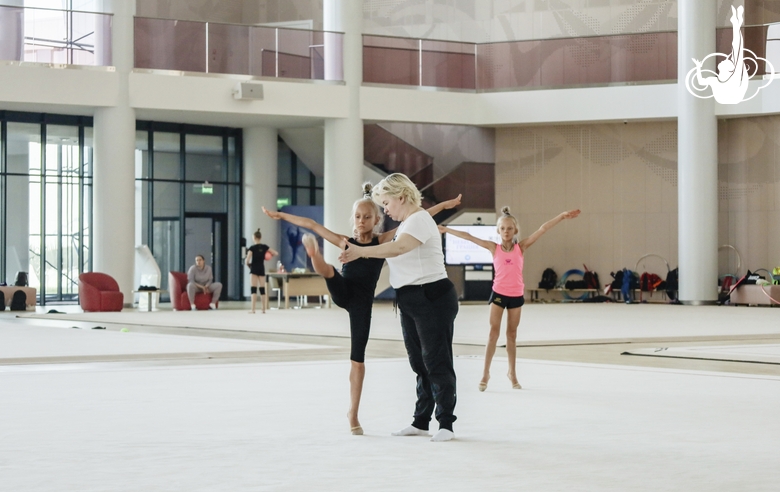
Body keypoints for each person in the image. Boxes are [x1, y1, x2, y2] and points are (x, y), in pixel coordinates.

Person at [263, 184, 461, 437]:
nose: (362, 220)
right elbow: (312, 224)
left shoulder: (384, 239)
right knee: (330, 272)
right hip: (345, 290)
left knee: (390, 359)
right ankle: (315, 256)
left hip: (363, 303)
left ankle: (434, 421)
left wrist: (444, 206)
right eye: (358, 216)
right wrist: (280, 215)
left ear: (377, 220)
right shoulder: (347, 242)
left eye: (368, 216)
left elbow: (418, 219)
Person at [339, 173, 460, 442]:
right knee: (419, 363)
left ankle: (445, 423)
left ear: (401, 197)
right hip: (409, 299)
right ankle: (420, 420)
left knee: (436, 360)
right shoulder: (408, 222)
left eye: (386, 203)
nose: (385, 209)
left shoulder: (419, 220)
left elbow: (400, 249)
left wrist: (361, 252)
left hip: (432, 297)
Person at [439, 206, 580, 392]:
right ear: (498, 230)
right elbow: (468, 236)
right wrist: (446, 229)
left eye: (510, 228)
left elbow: (543, 229)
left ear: (515, 231)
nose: (506, 232)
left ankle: (512, 373)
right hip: (498, 294)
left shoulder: (521, 247)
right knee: (493, 333)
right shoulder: (493, 247)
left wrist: (561, 216)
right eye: (503, 228)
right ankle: (485, 373)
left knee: (511, 335)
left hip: (515, 295)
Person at [245, 229, 278, 314]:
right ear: (260, 237)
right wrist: (268, 256)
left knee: (253, 289)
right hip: (261, 268)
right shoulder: (264, 247)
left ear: (254, 237)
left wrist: (249, 266)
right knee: (262, 289)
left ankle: (253, 309)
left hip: (254, 269)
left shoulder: (252, 248)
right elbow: (275, 253)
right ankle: (263, 309)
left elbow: (247, 261)